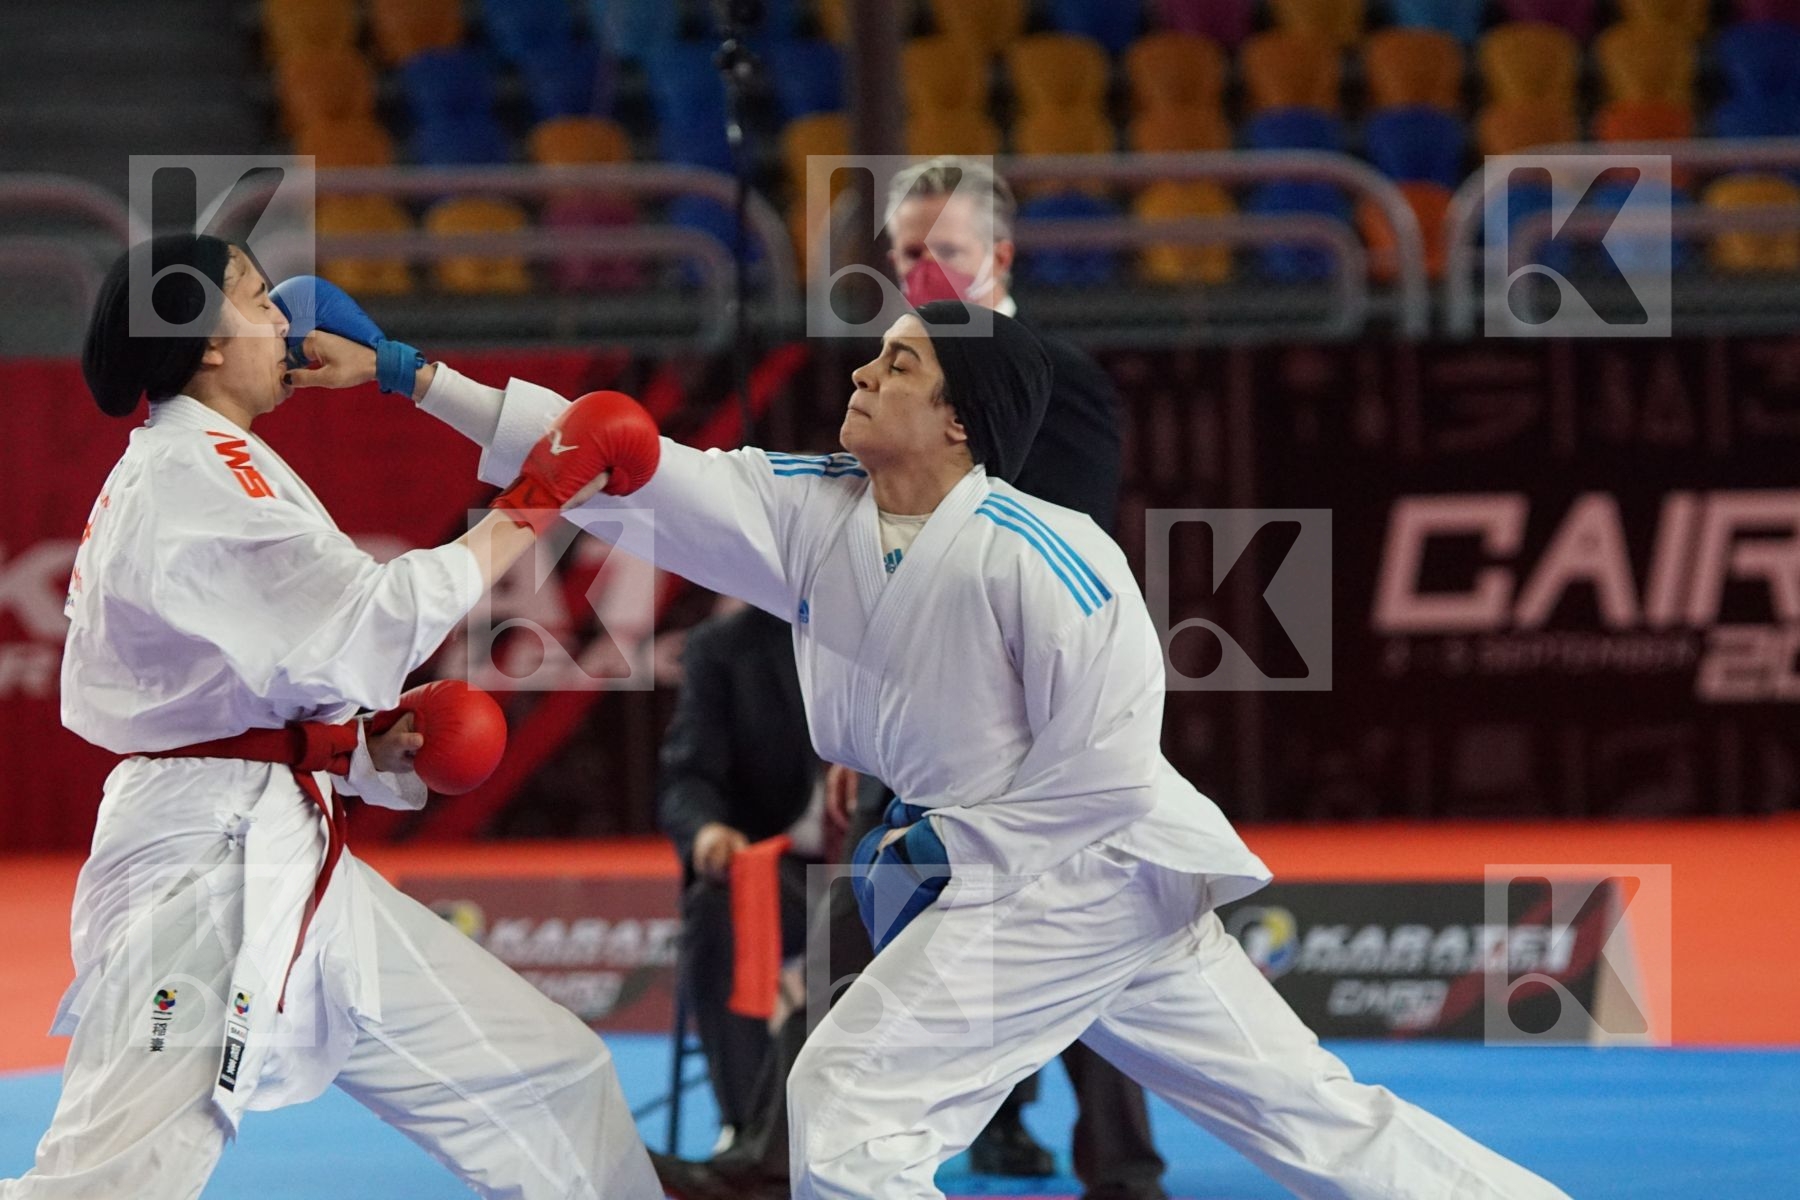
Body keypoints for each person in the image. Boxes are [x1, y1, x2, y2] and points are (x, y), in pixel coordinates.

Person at [340, 280, 1571, 1197]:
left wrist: (938, 856)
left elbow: (1107, 770)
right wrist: (405, 373)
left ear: (963, 424)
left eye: (900, 364)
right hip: (1009, 875)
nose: (865, 375)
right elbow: (625, 463)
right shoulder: (812, 505)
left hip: (1073, 873)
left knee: (851, 1107)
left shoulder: (1053, 552)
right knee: (1309, 1115)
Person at [3, 237, 664, 1200]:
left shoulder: (207, 459)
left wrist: (354, 743)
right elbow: (376, 619)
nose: (287, 315)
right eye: (258, 298)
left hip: (276, 836)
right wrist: (536, 499)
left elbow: (247, 681)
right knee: (115, 1181)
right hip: (206, 870)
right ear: (205, 347)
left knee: (547, 1076)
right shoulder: (195, 469)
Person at [657, 603, 821, 1152]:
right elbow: (689, 775)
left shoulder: (918, 626)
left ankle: (1006, 1127)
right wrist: (706, 830)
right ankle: (754, 1138)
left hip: (899, 861)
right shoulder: (726, 646)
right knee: (718, 901)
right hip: (788, 869)